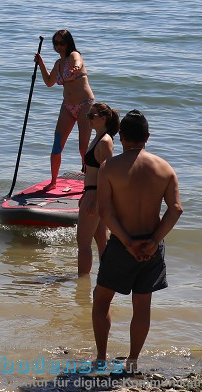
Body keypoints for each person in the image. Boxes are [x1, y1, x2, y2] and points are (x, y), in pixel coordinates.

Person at [92, 110, 183, 374]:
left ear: (120, 137)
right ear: (148, 137)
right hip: (152, 246)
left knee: (101, 299)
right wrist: (154, 241)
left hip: (123, 244)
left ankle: (101, 358)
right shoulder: (164, 168)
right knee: (142, 306)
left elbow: (105, 212)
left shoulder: (110, 167)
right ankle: (132, 362)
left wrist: (128, 242)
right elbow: (175, 209)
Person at [34, 29, 96, 186]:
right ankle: (53, 181)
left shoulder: (74, 55)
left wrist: (76, 68)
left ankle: (90, 181)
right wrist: (41, 63)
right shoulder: (58, 64)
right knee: (57, 144)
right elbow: (49, 82)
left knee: (83, 148)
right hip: (67, 107)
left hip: (85, 105)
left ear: (69, 43)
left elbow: (78, 62)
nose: (59, 46)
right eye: (56, 43)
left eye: (62, 43)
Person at [78, 103, 119, 277]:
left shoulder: (105, 141)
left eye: (91, 116)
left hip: (96, 193)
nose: (88, 119)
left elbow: (109, 173)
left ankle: (82, 283)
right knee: (102, 239)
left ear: (103, 118)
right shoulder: (98, 137)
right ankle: (108, 278)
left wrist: (96, 200)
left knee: (83, 242)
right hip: (91, 191)